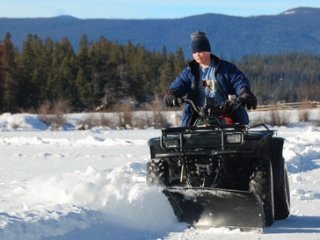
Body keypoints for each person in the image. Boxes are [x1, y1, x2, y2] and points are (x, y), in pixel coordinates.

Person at [163, 31, 257, 127]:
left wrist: (244, 92)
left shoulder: (226, 69)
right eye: (194, 52)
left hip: (225, 114)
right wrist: (172, 93)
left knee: (236, 138)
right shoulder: (190, 72)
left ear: (208, 51)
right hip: (198, 115)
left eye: (200, 51)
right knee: (188, 140)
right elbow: (180, 83)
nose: (197, 55)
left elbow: (238, 80)